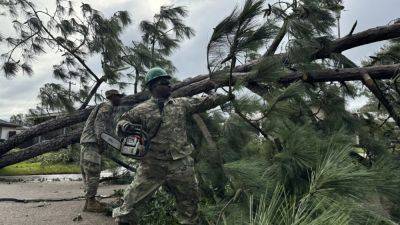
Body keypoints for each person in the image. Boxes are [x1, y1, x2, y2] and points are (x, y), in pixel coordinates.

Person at [112, 67, 230, 225]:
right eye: (164, 82)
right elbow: (121, 121)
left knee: (189, 204)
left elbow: (205, 102)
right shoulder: (141, 110)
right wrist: (125, 126)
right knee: (130, 204)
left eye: (169, 82)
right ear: (153, 86)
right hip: (152, 165)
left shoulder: (181, 103)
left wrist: (227, 95)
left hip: (180, 164)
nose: (169, 85)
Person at [80, 89, 123, 212]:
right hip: (92, 143)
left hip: (87, 142)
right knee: (93, 173)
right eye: (118, 97)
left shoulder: (103, 105)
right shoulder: (107, 106)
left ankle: (89, 201)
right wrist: (102, 142)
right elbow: (99, 124)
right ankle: (91, 203)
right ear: (113, 97)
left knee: (88, 174)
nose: (120, 99)